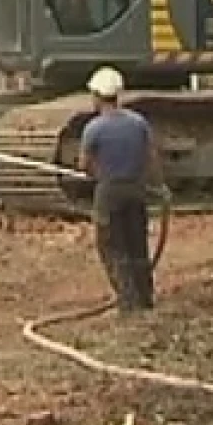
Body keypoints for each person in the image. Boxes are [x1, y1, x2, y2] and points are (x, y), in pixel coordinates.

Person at [77, 66, 161, 312]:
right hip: (136, 190)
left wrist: (91, 173)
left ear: (97, 96)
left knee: (112, 246)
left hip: (109, 193)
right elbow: (151, 157)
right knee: (137, 243)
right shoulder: (138, 123)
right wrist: (159, 185)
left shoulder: (94, 129)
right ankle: (145, 298)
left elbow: (84, 166)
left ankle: (127, 301)